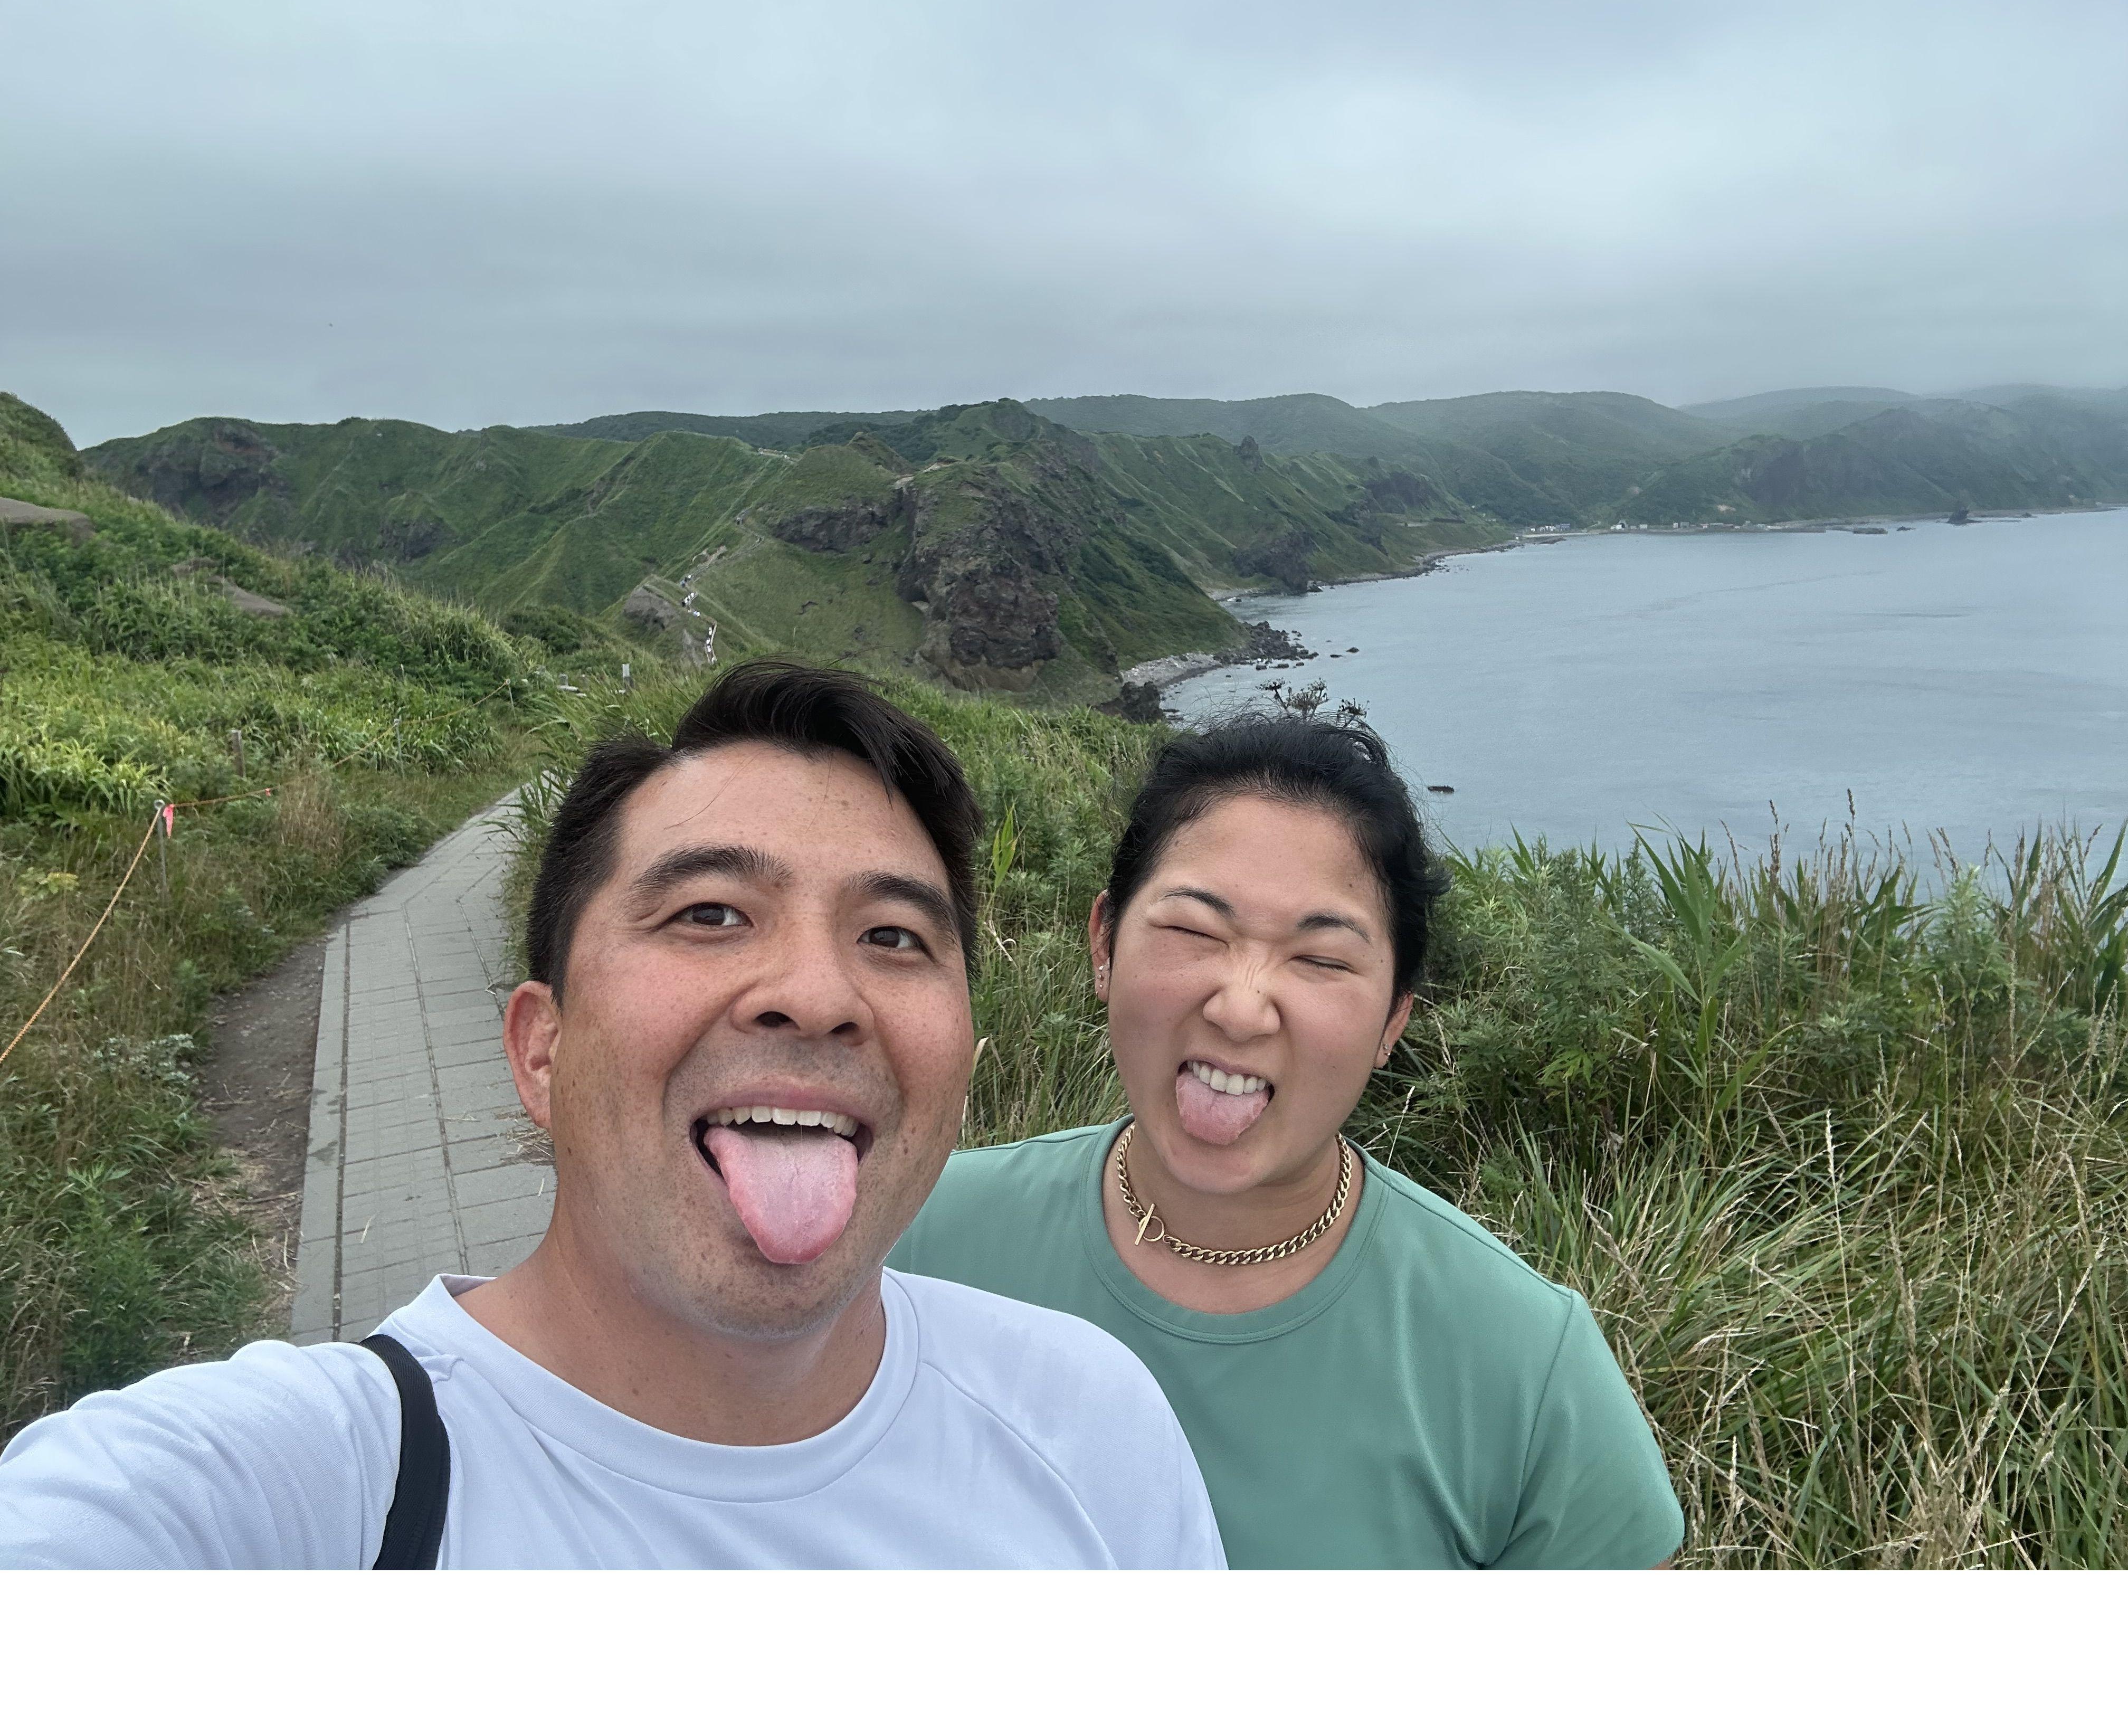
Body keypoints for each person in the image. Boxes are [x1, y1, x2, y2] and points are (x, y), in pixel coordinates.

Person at [0, 662, 1223, 1570]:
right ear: (542, 1047)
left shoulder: (1089, 1424)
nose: (816, 994)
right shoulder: (304, 1495)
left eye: (894, 937)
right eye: (708, 914)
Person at [892, 712, 1685, 1569]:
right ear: (1104, 946)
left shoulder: (1528, 1370)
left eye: (1321, 959)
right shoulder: (910, 1239)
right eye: (1195, 931)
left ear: (1393, 1022)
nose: (1241, 1004)